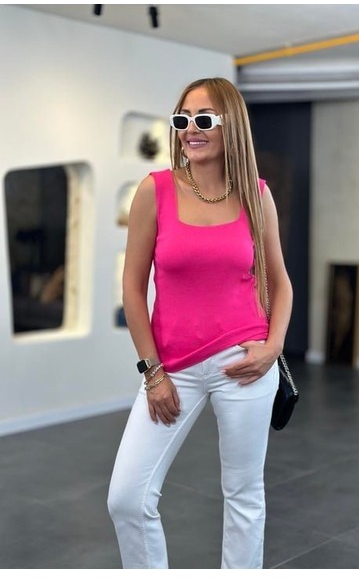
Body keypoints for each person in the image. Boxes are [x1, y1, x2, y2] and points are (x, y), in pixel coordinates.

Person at [107, 77, 293, 569]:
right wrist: (152, 372)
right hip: (172, 369)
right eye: (182, 119)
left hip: (245, 363)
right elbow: (132, 288)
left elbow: (281, 282)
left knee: (244, 496)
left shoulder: (256, 196)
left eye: (204, 119)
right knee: (127, 498)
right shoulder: (155, 191)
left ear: (232, 127)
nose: (191, 129)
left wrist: (273, 347)